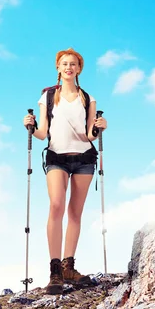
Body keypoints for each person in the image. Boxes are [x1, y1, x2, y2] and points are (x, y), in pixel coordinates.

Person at [23, 47, 107, 295]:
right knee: (56, 205)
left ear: (79, 69)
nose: (69, 67)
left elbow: (89, 133)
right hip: (56, 157)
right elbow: (42, 134)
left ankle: (69, 266)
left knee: (75, 212)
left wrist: (101, 127)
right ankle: (55, 271)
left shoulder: (87, 98)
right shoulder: (48, 97)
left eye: (73, 64)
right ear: (58, 68)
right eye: (64, 64)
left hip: (84, 158)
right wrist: (29, 126)